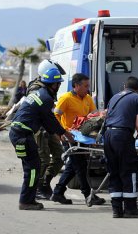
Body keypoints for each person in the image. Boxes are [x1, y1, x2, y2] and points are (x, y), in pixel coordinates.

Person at [9, 65, 75, 210]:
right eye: (58, 83)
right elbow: (49, 120)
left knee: (34, 166)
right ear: (53, 84)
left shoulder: (40, 93)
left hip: (20, 133)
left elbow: (47, 120)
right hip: (22, 135)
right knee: (32, 169)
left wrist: (59, 132)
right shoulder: (45, 98)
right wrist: (63, 133)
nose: (59, 86)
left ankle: (30, 198)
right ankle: (26, 201)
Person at [51, 73, 106, 206]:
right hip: (69, 137)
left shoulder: (87, 98)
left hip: (83, 137)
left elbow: (93, 115)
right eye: (85, 86)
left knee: (73, 165)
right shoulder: (66, 98)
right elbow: (55, 116)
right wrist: (61, 133)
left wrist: (102, 115)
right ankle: (88, 194)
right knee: (80, 166)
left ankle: (58, 192)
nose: (88, 89)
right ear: (76, 86)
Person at [103, 76, 138, 218]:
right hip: (122, 136)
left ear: (124, 86)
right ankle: (130, 209)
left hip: (109, 135)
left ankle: (117, 209)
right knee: (129, 171)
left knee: (114, 171)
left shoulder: (114, 97)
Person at [25, 59, 67, 201]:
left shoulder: (47, 87)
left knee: (59, 156)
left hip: (49, 127)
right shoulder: (36, 88)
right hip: (39, 128)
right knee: (42, 158)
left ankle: (45, 182)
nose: (58, 85)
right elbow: (41, 112)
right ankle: (36, 187)